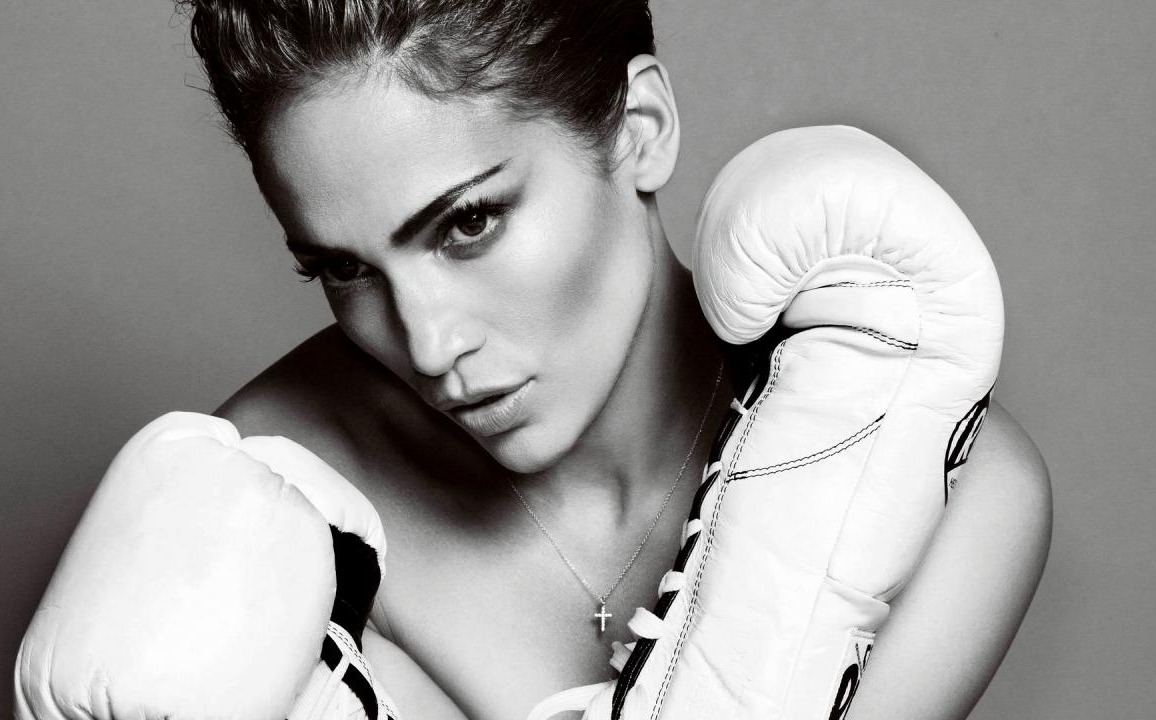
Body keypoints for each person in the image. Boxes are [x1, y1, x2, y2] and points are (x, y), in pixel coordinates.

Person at [181, 1, 1051, 718]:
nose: (429, 345)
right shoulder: (271, 495)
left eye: (469, 223)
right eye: (343, 270)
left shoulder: (946, 488)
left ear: (640, 129)